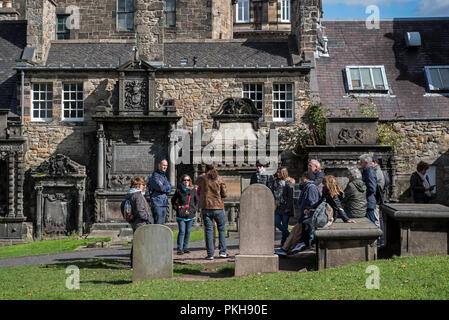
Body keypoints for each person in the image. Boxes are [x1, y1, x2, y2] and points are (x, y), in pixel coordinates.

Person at [275, 171, 319, 256]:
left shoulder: (311, 187)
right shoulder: (308, 186)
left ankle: (285, 249)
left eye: (302, 177)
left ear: (306, 178)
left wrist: (308, 209)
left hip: (305, 217)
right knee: (295, 234)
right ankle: (286, 249)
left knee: (295, 234)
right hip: (304, 217)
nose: (301, 179)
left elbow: (313, 201)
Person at [196, 164, 228, 260]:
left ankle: (210, 254)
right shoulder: (219, 178)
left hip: (206, 207)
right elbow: (225, 194)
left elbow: (196, 182)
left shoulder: (202, 178)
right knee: (221, 230)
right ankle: (222, 252)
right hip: (218, 207)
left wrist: (202, 174)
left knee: (209, 231)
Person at [121, 177, 153, 269]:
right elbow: (140, 210)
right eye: (143, 184)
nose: (145, 186)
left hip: (135, 222)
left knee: (137, 243)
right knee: (141, 243)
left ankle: (134, 264)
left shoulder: (130, 194)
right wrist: (147, 218)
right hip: (141, 222)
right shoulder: (138, 195)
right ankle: (138, 264)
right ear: (138, 185)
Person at [171, 174, 199, 255]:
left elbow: (197, 200)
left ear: (190, 181)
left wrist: (194, 210)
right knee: (182, 231)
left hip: (190, 214)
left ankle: (185, 247)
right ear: (182, 181)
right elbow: (173, 201)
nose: (186, 181)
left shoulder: (193, 190)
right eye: (185, 180)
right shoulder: (178, 190)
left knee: (188, 231)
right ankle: (179, 249)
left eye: (188, 180)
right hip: (181, 214)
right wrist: (177, 208)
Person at [273, 167, 295, 247]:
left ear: (283, 173)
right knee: (276, 223)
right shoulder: (275, 182)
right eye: (277, 172)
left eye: (279, 172)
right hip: (278, 206)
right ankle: (290, 236)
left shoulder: (289, 182)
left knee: (285, 225)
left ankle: (284, 242)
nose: (278, 174)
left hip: (286, 207)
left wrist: (288, 208)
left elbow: (290, 197)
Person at [147, 159, 172, 224]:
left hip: (164, 203)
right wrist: (165, 186)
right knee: (158, 225)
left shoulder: (164, 176)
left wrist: (164, 186)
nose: (165, 167)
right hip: (157, 203)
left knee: (162, 225)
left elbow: (170, 188)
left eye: (166, 165)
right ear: (159, 165)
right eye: (163, 165)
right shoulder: (155, 176)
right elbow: (160, 187)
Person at [360, 154, 378, 226]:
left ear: (366, 163)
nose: (360, 164)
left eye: (361, 162)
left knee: (371, 223)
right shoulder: (366, 171)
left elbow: (372, 188)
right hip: (367, 201)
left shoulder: (369, 172)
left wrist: (362, 194)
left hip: (369, 201)